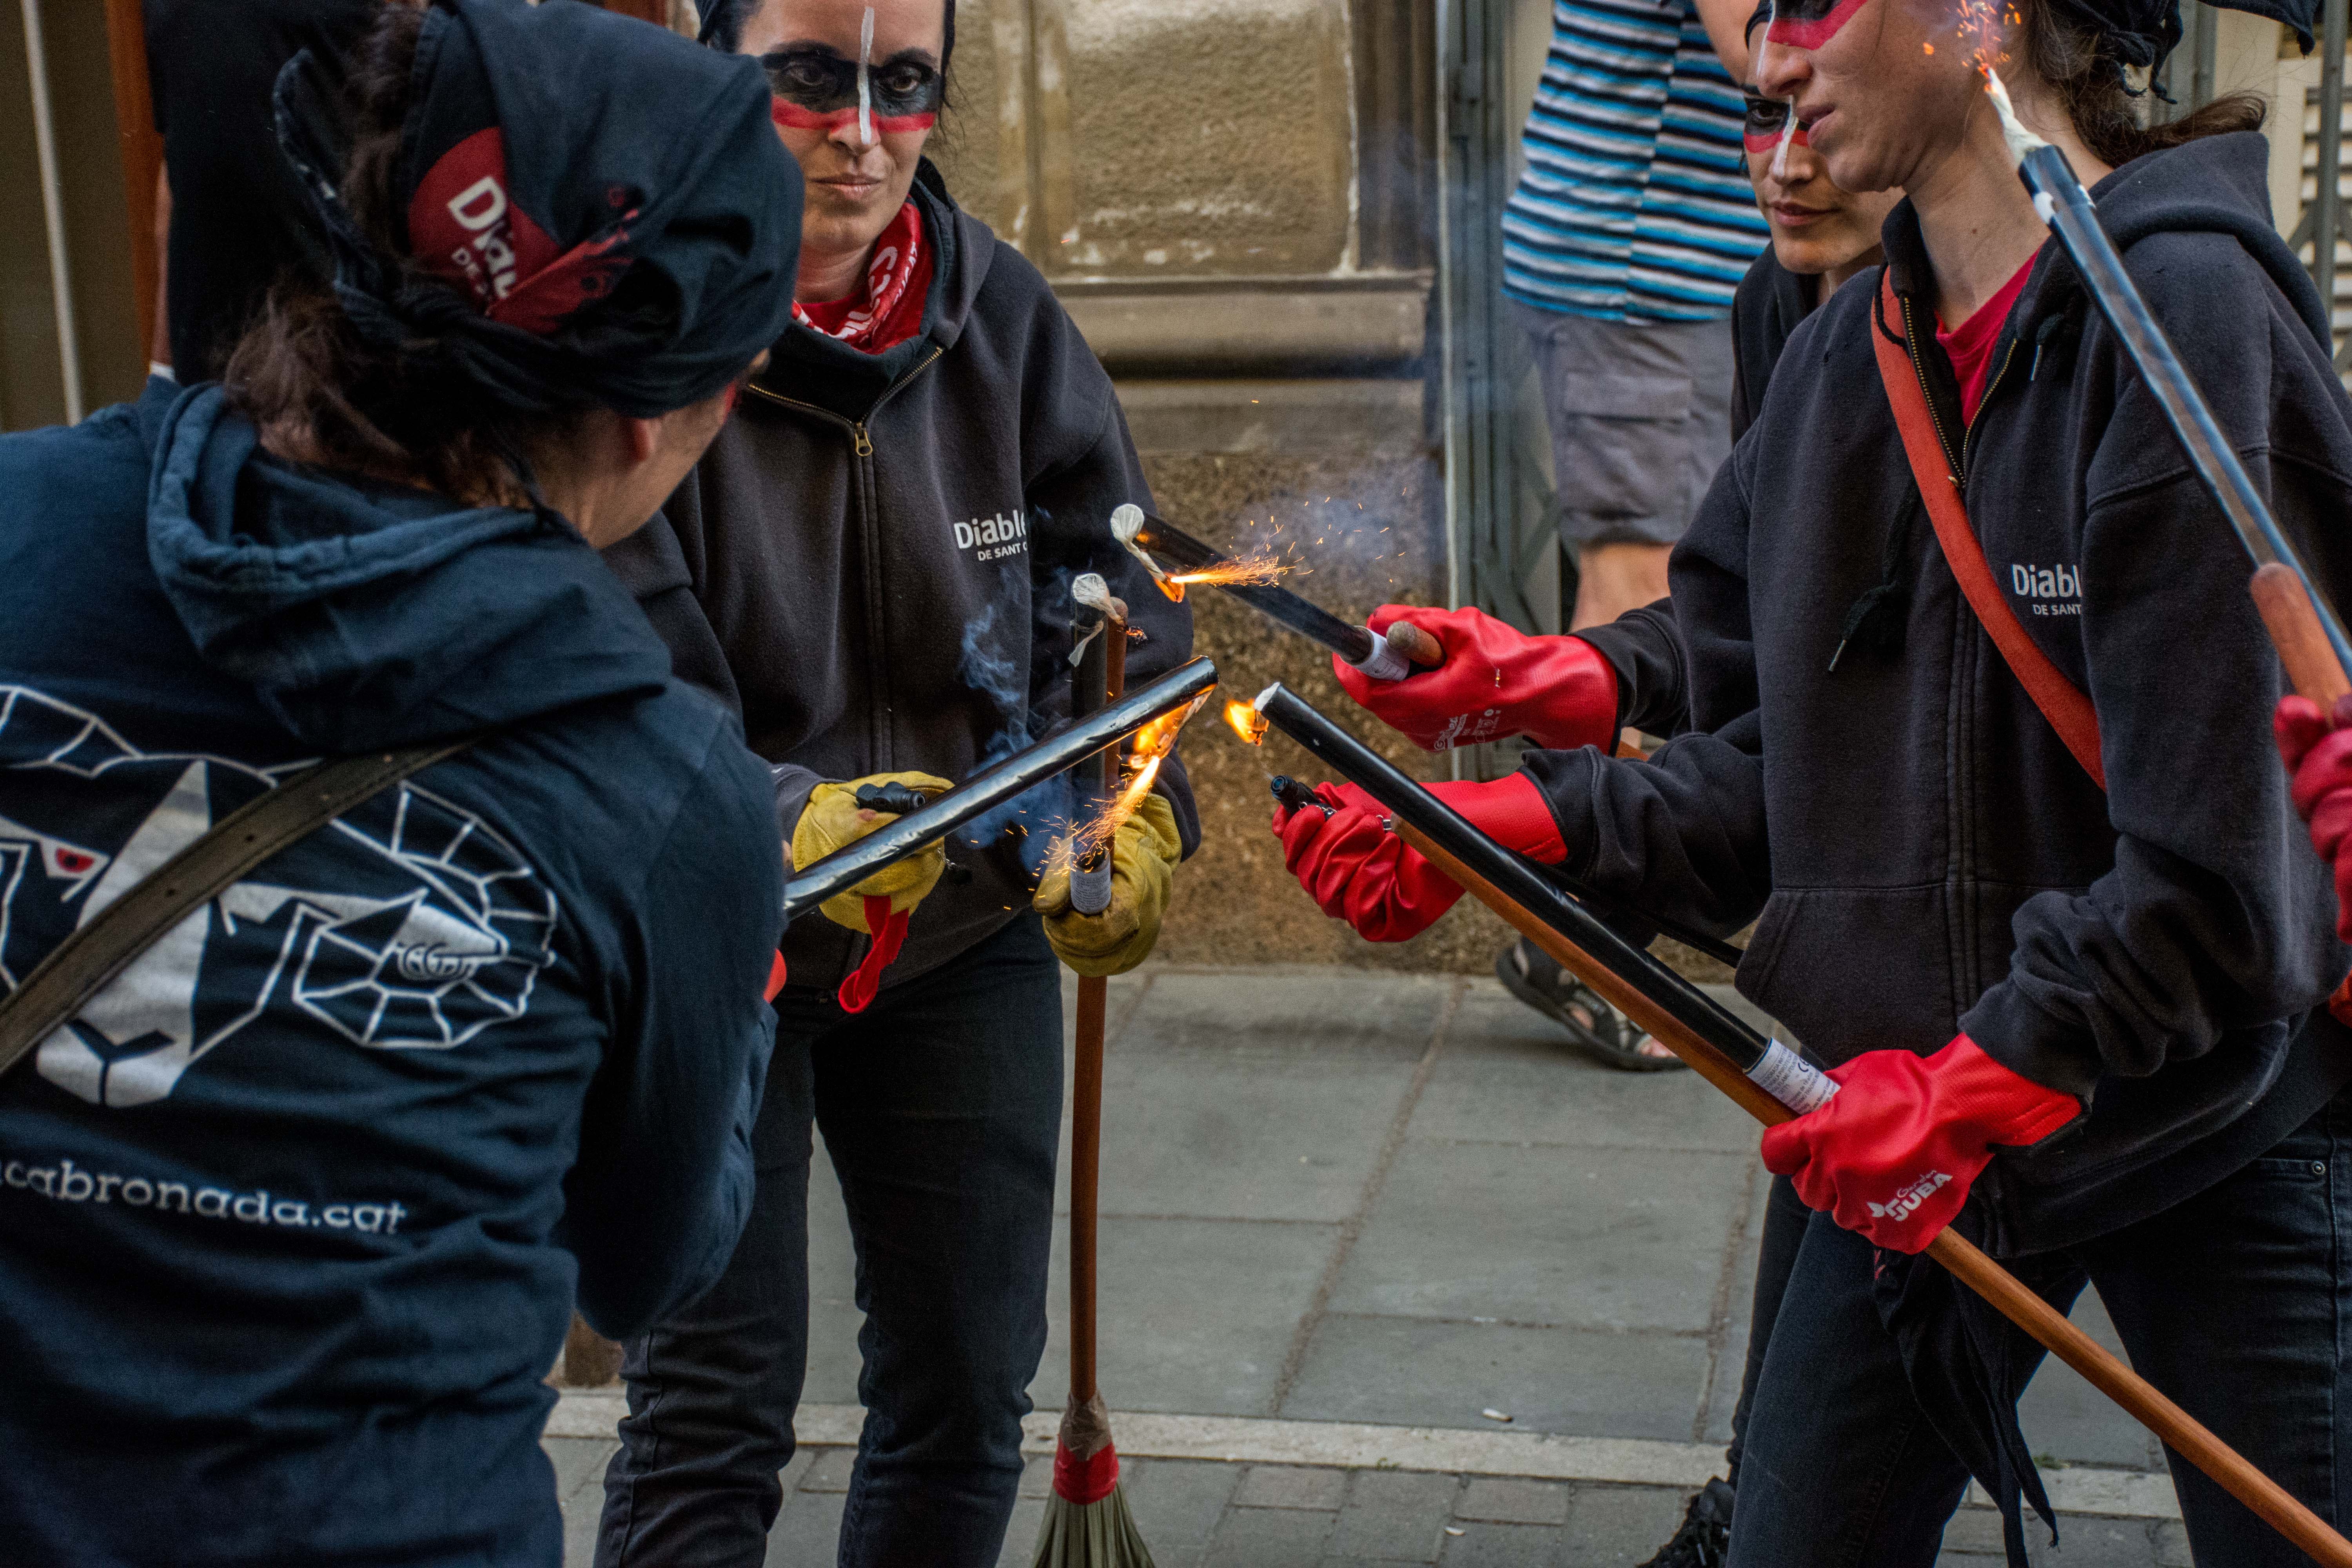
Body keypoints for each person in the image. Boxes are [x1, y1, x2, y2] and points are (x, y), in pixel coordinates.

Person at [1283, 0, 2352, 1557]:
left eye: (1807, 3)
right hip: (1921, 1102)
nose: (1766, 60)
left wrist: (1971, 1085)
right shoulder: (1855, 348)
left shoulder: (2183, 308)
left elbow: (2218, 876)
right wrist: (1493, 825)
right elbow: (1796, 769)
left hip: (2215, 1113)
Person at [0, 1, 801, 1563]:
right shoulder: (666, 800)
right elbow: (645, 1266)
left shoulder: (17, 519)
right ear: (666, 412)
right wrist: (731, 980)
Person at [592, 1, 1194, 1563]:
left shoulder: (1003, 316)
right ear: (720, 73)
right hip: (719, 937)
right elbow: (600, 643)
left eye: (904, 82)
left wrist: (1129, 817)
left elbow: (1124, 602)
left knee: (963, 1388)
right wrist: (769, 818)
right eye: (807, 77)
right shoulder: (636, 322)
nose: (861, 130)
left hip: (961, 931)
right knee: (715, 1402)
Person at [1504, 0, 1769, 633]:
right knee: (1647, 592)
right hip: (1647, 278)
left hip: (1654, 265)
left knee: (1660, 592)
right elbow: (1762, 48)